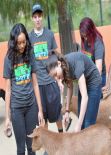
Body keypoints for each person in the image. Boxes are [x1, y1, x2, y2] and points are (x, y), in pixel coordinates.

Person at [3, 23, 44, 155]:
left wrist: (40, 111)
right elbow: (8, 90)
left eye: (23, 42)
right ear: (13, 42)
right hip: (17, 109)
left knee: (31, 146)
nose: (21, 46)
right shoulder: (9, 58)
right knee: (21, 149)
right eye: (18, 43)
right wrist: (7, 118)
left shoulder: (30, 54)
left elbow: (35, 84)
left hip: (31, 106)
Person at [46, 51, 102, 132]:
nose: (56, 78)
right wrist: (67, 111)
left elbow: (85, 97)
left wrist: (78, 125)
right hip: (84, 83)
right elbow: (70, 87)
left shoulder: (75, 63)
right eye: (53, 77)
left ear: (58, 64)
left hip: (94, 83)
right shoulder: (64, 68)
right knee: (81, 121)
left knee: (88, 124)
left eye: (55, 74)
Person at [29, 3, 63, 132]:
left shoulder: (49, 34)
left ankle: (61, 138)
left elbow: (57, 53)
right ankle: (48, 148)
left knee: (57, 114)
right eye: (35, 16)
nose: (37, 19)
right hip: (38, 85)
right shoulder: (29, 37)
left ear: (42, 17)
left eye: (39, 16)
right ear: (32, 18)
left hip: (51, 82)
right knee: (43, 117)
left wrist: (59, 80)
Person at [79, 17, 106, 89]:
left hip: (98, 77)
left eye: (87, 36)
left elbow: (98, 69)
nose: (85, 39)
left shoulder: (98, 42)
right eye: (83, 36)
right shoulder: (84, 40)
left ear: (91, 31)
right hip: (88, 76)